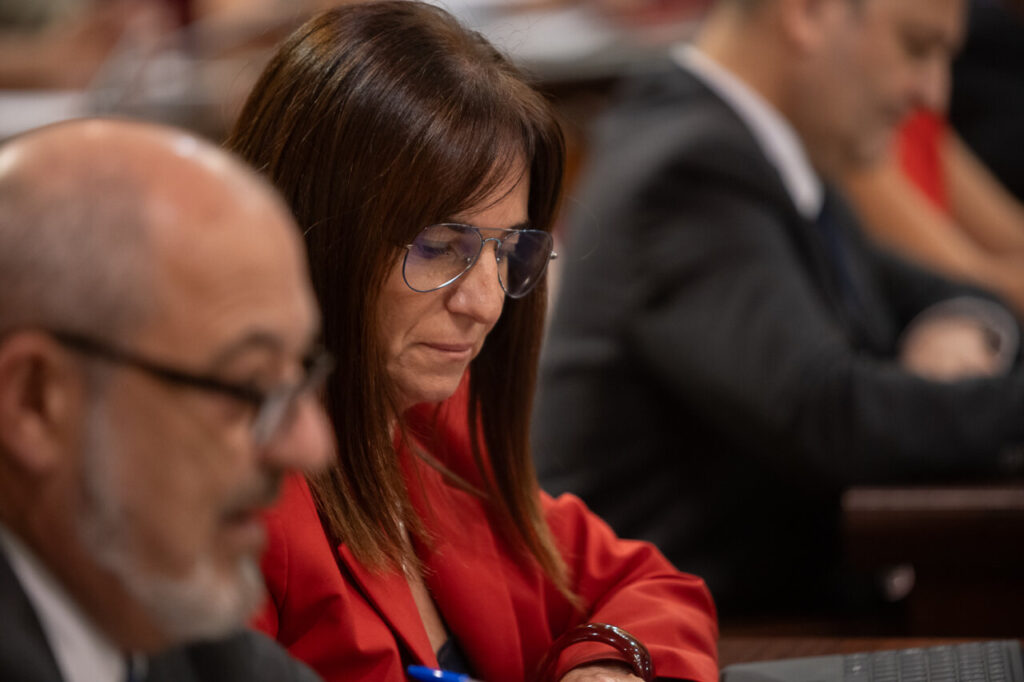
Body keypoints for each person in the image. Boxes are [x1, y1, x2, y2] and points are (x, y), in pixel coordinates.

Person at [226, 3, 718, 681]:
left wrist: (604, 664)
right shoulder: (232, 497)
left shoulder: (434, 432)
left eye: (505, 251)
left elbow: (649, 585)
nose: (485, 302)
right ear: (314, 231)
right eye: (437, 247)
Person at [533, 0, 1024, 621]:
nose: (932, 93)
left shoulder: (759, 147)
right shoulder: (687, 169)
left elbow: (947, 293)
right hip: (689, 637)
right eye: (915, 46)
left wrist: (955, 327)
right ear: (807, 13)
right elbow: (831, 413)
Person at [0, 118, 333, 681]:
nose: (310, 445)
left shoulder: (160, 617)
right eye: (249, 389)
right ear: (35, 402)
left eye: (298, 380)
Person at [841, 109, 1024, 319]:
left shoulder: (917, 112)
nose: (932, 94)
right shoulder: (854, 138)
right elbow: (976, 286)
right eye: (916, 72)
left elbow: (1009, 233)